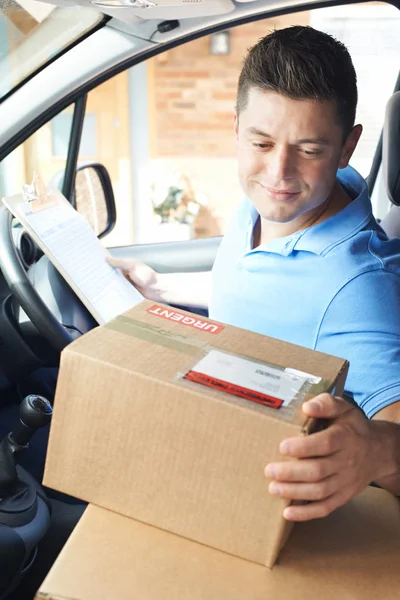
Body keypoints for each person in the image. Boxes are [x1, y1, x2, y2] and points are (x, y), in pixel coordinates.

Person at [108, 25, 400, 522]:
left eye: (309, 150)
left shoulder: (356, 289)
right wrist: (163, 287)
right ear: (237, 128)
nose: (279, 173)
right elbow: (261, 289)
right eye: (262, 142)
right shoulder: (284, 202)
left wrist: (377, 450)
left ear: (348, 147)